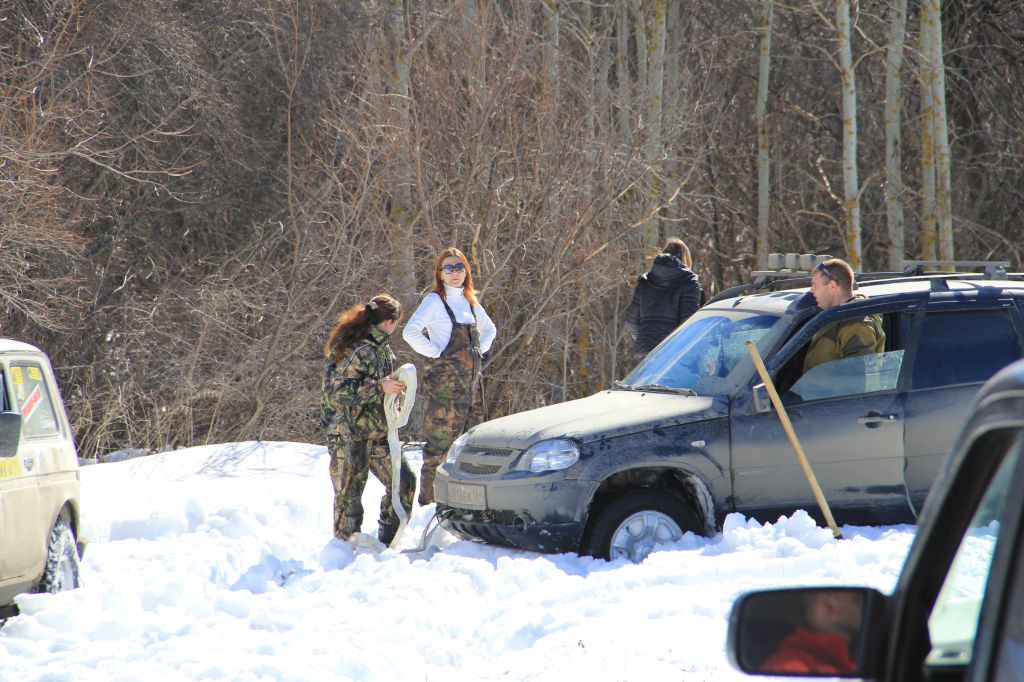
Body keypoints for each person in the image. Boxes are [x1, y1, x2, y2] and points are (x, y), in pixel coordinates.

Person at [403, 247, 497, 506]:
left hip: (472, 390)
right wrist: (436, 353)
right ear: (440, 274)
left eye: (459, 267)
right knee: (438, 451)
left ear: (466, 271)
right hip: (443, 393)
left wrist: (478, 351)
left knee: (470, 449)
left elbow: (490, 330)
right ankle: (429, 507)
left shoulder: (470, 302)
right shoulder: (435, 301)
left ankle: (464, 506)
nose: (455, 273)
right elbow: (410, 332)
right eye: (449, 268)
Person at [321, 294, 415, 545]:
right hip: (348, 433)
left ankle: (388, 543)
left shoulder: (383, 350)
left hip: (377, 431)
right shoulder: (356, 348)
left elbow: (381, 387)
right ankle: (344, 550)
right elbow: (338, 392)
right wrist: (379, 387)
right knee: (349, 497)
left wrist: (394, 390)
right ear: (389, 322)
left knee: (404, 481)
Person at [625, 237, 703, 361]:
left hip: (645, 350)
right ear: (685, 259)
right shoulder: (689, 282)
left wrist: (646, 338)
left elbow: (631, 321)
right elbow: (689, 323)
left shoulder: (645, 281)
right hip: (673, 351)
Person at [802, 258, 885, 374]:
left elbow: (857, 378)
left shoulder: (856, 324)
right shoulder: (834, 317)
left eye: (815, 285)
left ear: (832, 286)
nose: (812, 291)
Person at [761, 590, 862, 675]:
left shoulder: (861, 656)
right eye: (856, 599)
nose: (865, 608)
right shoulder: (788, 669)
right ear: (829, 606)